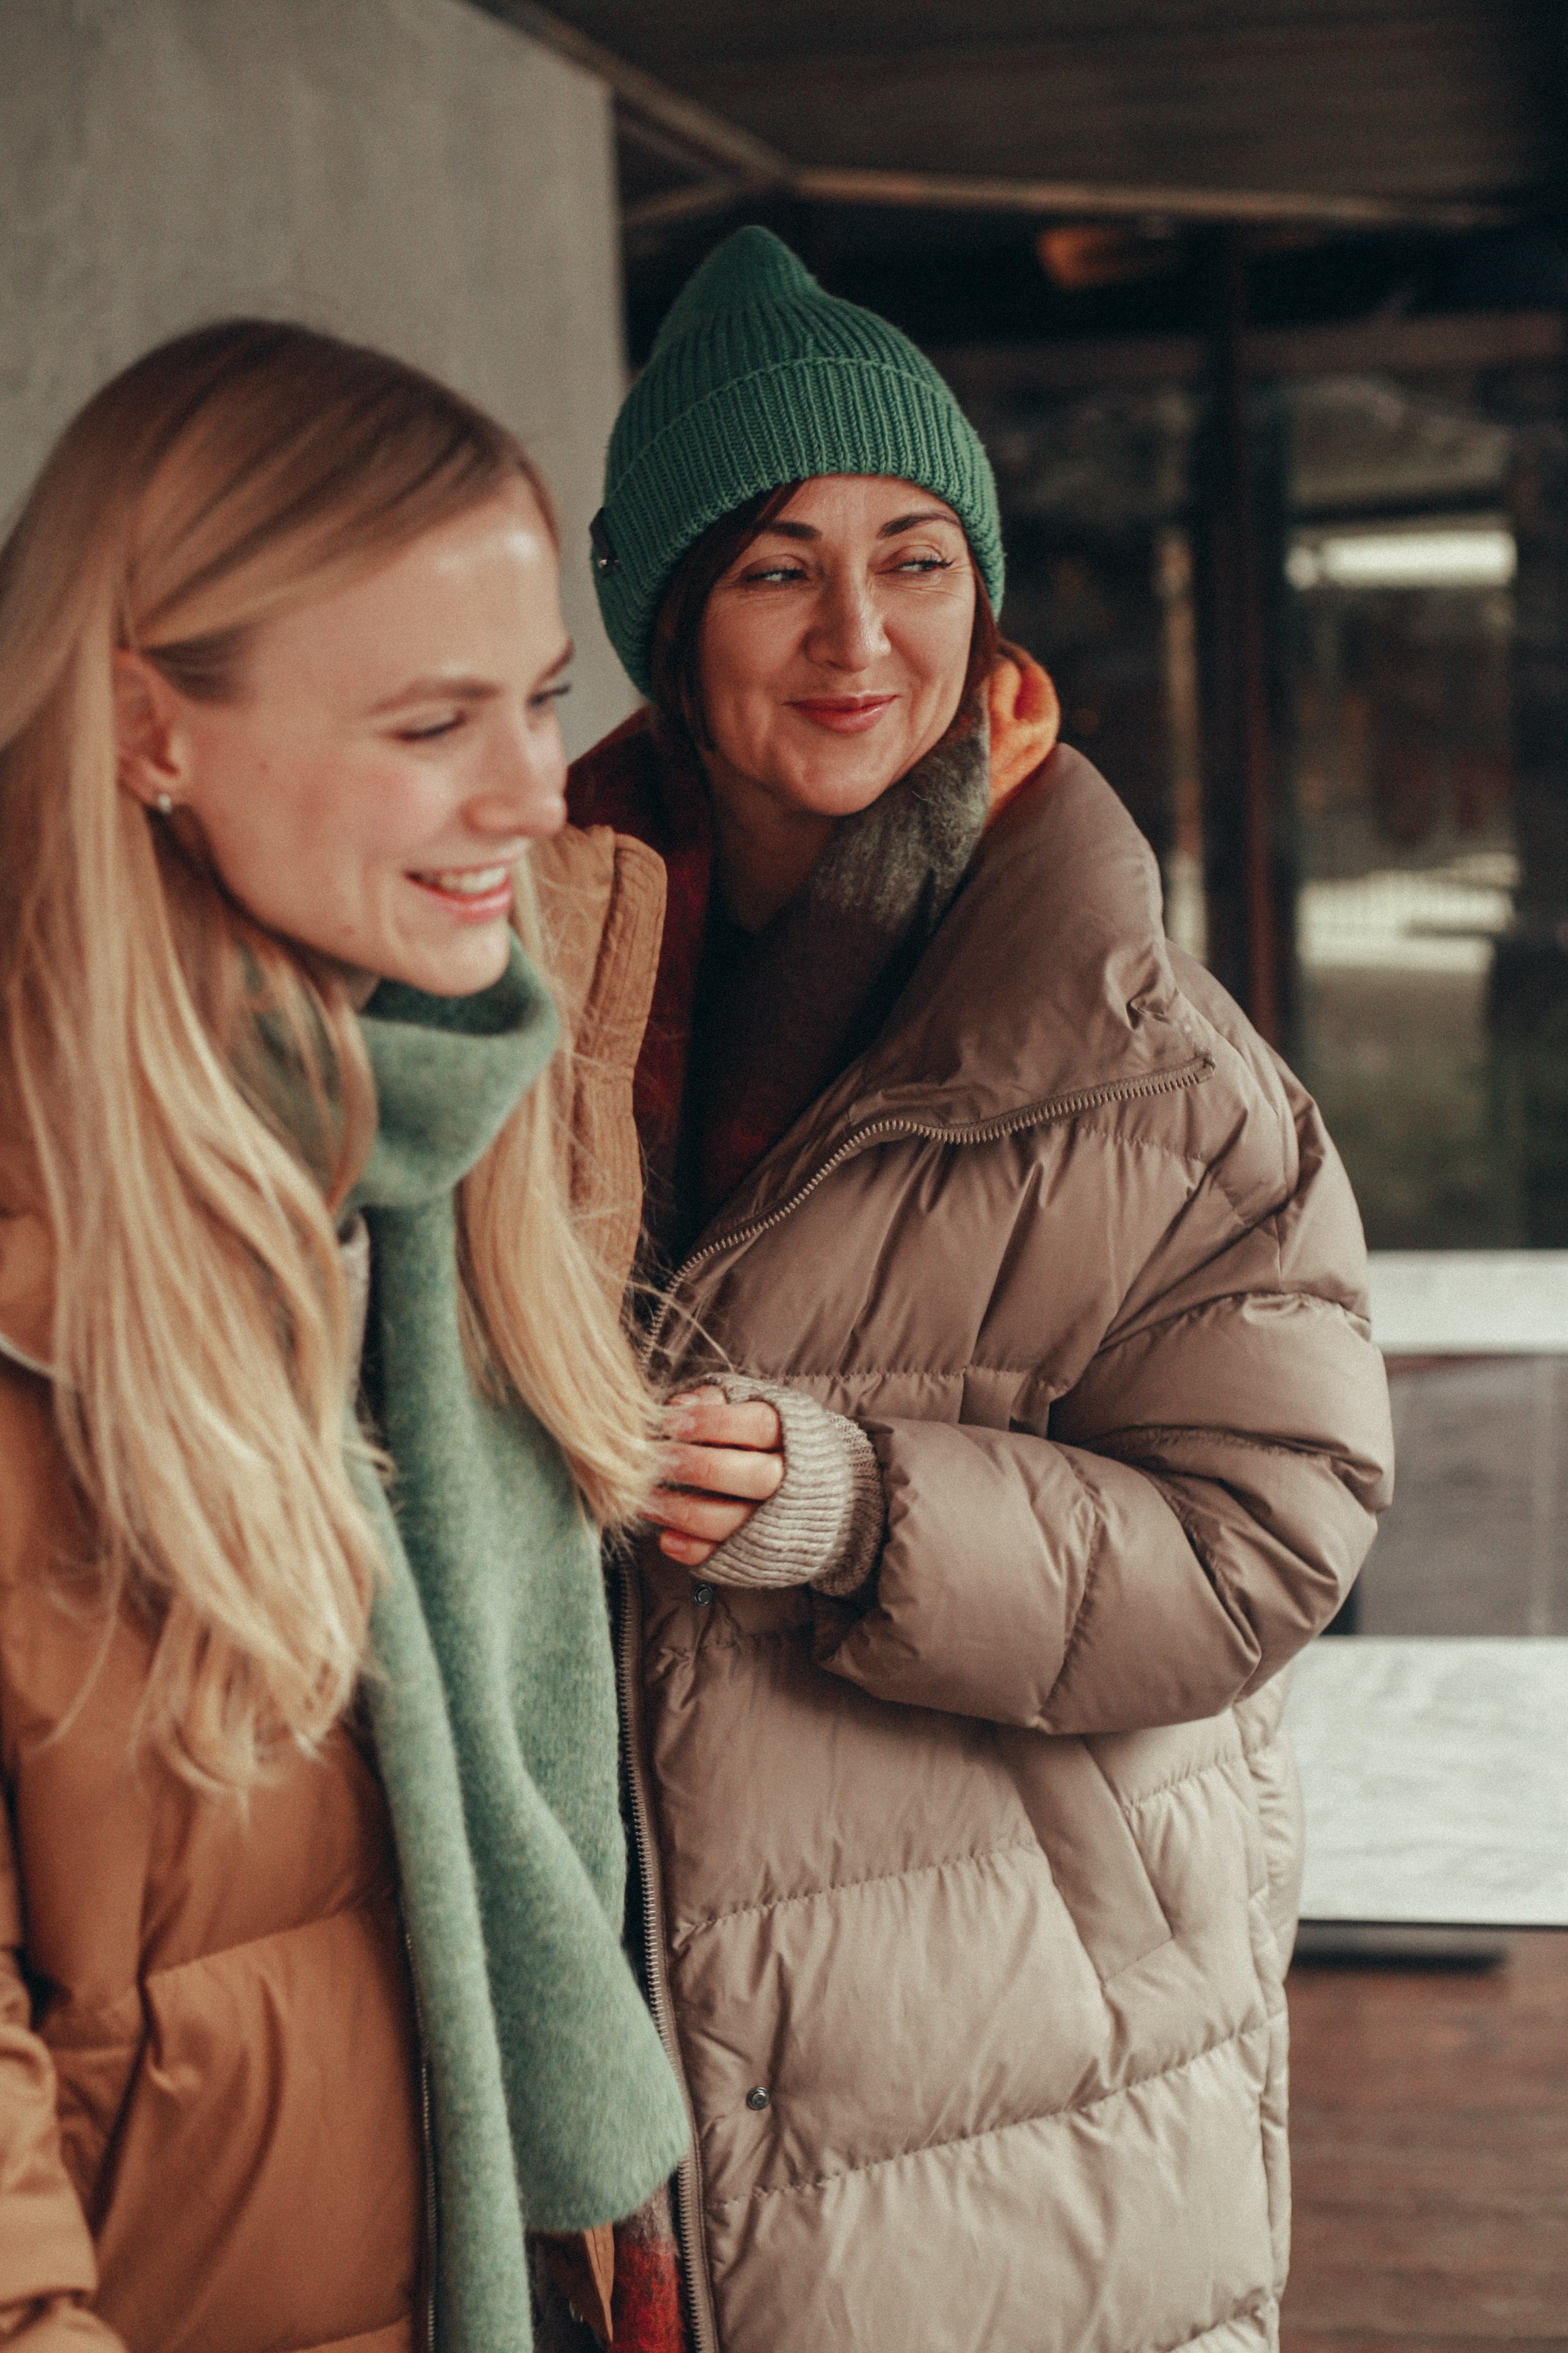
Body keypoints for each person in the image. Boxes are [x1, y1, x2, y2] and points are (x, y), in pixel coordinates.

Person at [568, 228, 1395, 2353]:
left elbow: (1266, 1540)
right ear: (667, 614)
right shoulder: (524, 989)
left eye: (916, 556)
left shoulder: (1150, 1059)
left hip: (1014, 2091)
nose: (859, 631)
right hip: (628, 2074)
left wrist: (861, 1508)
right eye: (775, 566)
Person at [0, 321, 690, 2353]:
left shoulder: (454, 1100)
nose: (531, 784)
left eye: (543, 699)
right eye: (428, 721)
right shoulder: (48, 1237)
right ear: (149, 728)